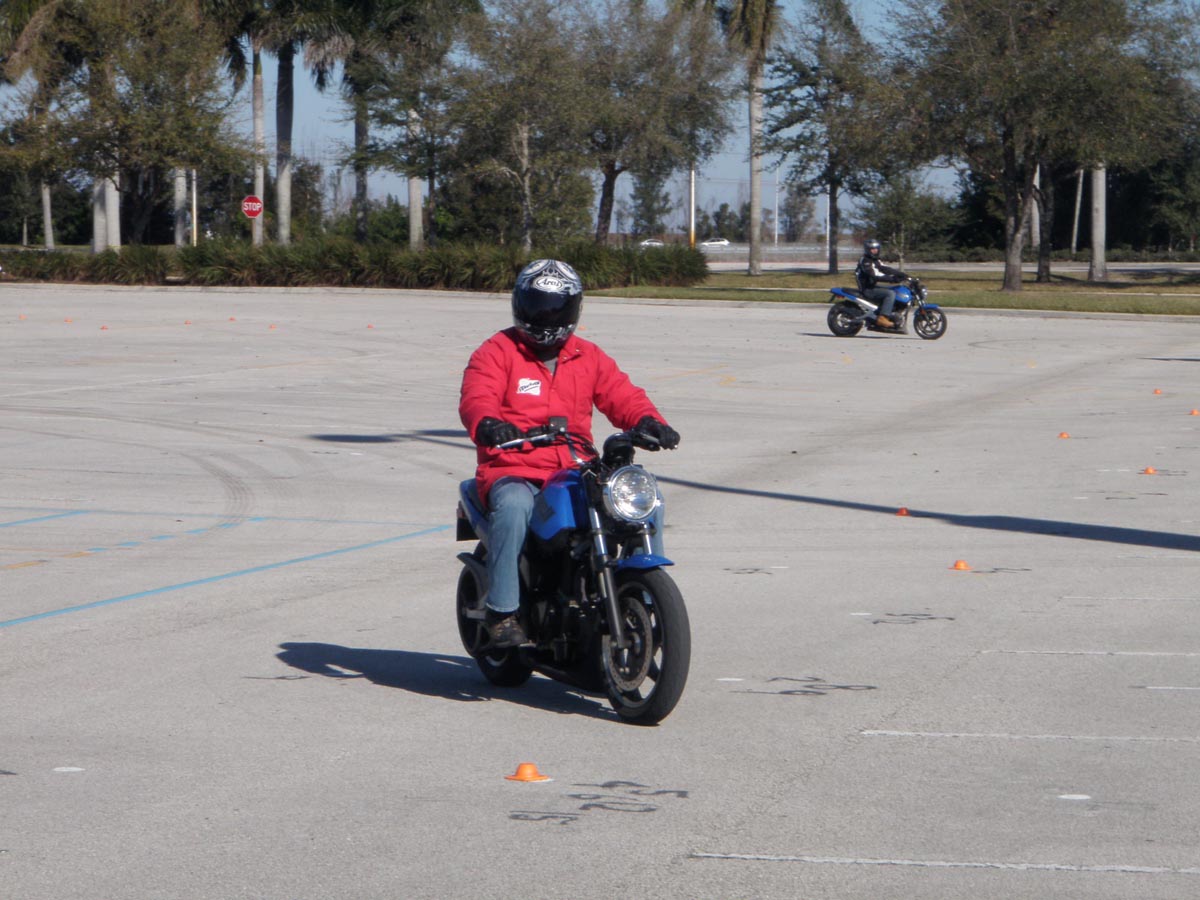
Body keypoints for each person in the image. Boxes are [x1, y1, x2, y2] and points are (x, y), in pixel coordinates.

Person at [459, 259, 680, 648]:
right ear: (519, 304)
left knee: (646, 499)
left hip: (576, 467)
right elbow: (477, 397)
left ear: (574, 308)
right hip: (514, 467)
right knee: (513, 506)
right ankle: (502, 611)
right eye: (537, 307)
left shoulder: (587, 356)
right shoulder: (496, 352)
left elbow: (622, 395)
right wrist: (489, 424)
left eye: (556, 308)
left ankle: (645, 595)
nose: (546, 317)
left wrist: (650, 421)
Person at [855, 238, 907, 329]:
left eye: (876, 249)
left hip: (872, 287)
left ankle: (890, 312)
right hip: (867, 289)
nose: (875, 251)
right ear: (868, 250)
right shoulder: (865, 261)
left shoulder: (875, 260)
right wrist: (892, 279)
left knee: (895, 290)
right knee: (890, 294)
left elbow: (885, 268)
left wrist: (901, 274)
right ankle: (882, 318)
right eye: (873, 249)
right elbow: (875, 275)